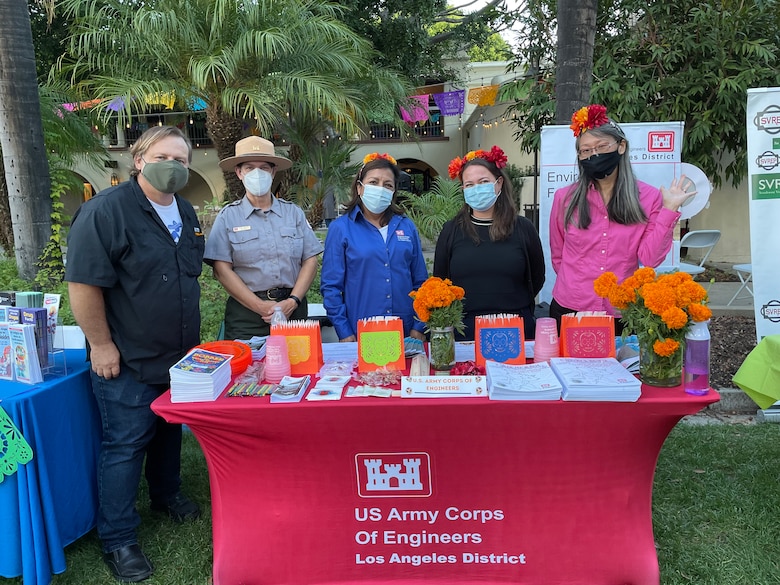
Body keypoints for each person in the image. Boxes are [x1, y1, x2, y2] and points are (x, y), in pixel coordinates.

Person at [65, 126, 204, 583]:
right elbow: (84, 285)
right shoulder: (104, 212)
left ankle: (166, 495)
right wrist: (102, 346)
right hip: (126, 358)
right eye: (164, 156)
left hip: (179, 355)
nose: (175, 165)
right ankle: (119, 538)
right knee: (125, 445)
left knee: (167, 433)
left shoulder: (184, 210)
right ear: (139, 159)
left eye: (182, 159)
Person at [549, 104, 694, 331]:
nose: (593, 154)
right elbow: (558, 255)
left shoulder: (648, 198)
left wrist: (669, 210)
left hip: (622, 313)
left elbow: (650, 259)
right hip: (570, 309)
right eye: (585, 151)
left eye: (601, 146)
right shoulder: (564, 198)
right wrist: (578, 284)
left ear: (621, 146)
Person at [204, 136, 323, 340]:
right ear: (239, 173)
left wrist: (293, 300)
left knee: (300, 366)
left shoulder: (293, 213)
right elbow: (222, 270)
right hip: (247, 315)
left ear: (273, 171)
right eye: (250, 167)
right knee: (248, 370)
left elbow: (310, 260)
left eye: (264, 168)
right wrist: (259, 306)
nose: (257, 173)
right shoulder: (228, 216)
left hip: (292, 310)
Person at [434, 146, 545, 341]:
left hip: (516, 327)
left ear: (499, 183)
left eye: (483, 181)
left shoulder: (523, 228)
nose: (476, 189)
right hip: (465, 331)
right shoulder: (451, 231)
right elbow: (441, 280)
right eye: (469, 184)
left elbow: (536, 277)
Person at [321, 153, 428, 341]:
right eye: (373, 182)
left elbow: (421, 282)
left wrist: (419, 327)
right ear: (359, 188)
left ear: (394, 192)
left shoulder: (406, 226)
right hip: (360, 332)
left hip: (405, 332)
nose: (381, 189)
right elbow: (331, 288)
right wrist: (344, 332)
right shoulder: (341, 229)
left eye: (388, 185)